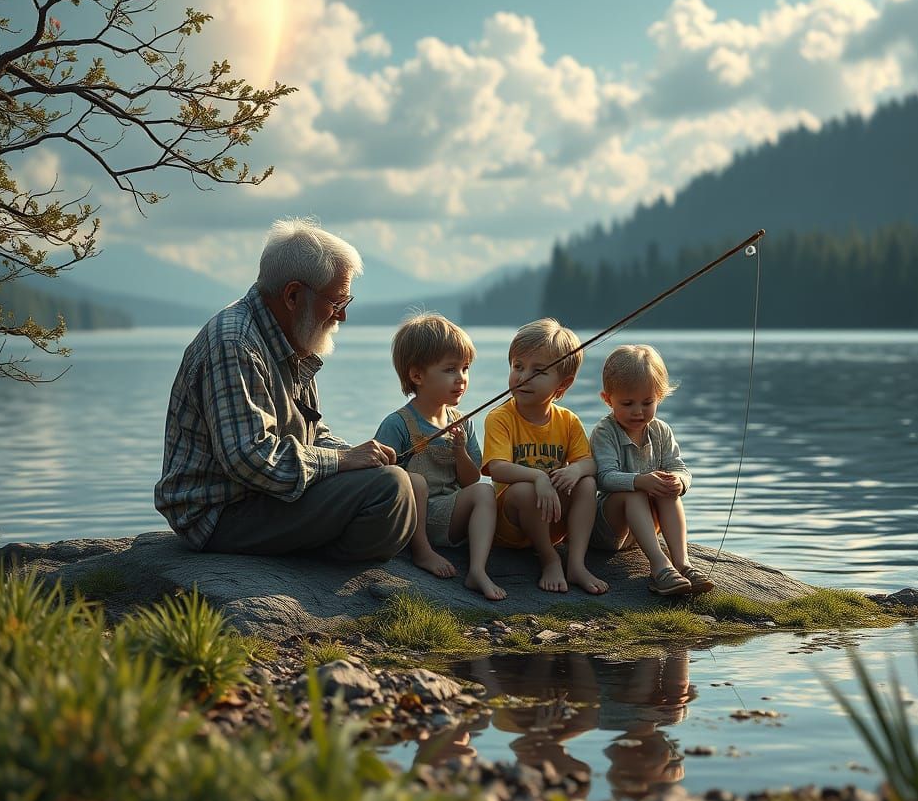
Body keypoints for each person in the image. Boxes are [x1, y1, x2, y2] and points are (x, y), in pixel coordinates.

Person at [154, 218, 416, 560]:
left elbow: (311, 431)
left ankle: (313, 548)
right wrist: (342, 461)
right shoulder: (234, 343)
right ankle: (314, 559)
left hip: (268, 497)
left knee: (394, 480)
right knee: (390, 489)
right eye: (337, 303)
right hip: (220, 515)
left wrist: (361, 458)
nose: (342, 317)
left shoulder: (291, 338)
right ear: (293, 295)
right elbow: (249, 458)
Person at [374, 313, 506, 601]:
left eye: (465, 368)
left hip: (447, 514)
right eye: (450, 370)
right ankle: (422, 552)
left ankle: (477, 570)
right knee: (416, 482)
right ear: (417, 375)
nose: (461, 379)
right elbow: (381, 479)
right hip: (410, 521)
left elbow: (471, 480)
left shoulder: (462, 422)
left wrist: (460, 450)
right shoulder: (398, 423)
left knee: (484, 491)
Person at [482, 318, 608, 595]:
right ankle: (550, 559)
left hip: (552, 519)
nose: (523, 376)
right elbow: (496, 467)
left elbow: (589, 463)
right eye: (518, 366)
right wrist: (538, 476)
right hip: (512, 525)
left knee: (586, 482)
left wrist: (576, 471)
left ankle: (575, 564)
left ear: (562, 385)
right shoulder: (501, 417)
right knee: (523, 491)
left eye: (538, 371)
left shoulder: (567, 421)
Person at [589, 344, 713, 595]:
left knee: (668, 488)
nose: (638, 411)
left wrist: (679, 481)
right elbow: (603, 478)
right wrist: (640, 481)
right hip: (609, 528)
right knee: (635, 492)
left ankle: (682, 562)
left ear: (659, 396)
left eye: (647, 402)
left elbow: (680, 467)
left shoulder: (661, 430)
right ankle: (659, 567)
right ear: (607, 399)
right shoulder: (605, 431)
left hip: (643, 529)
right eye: (627, 403)